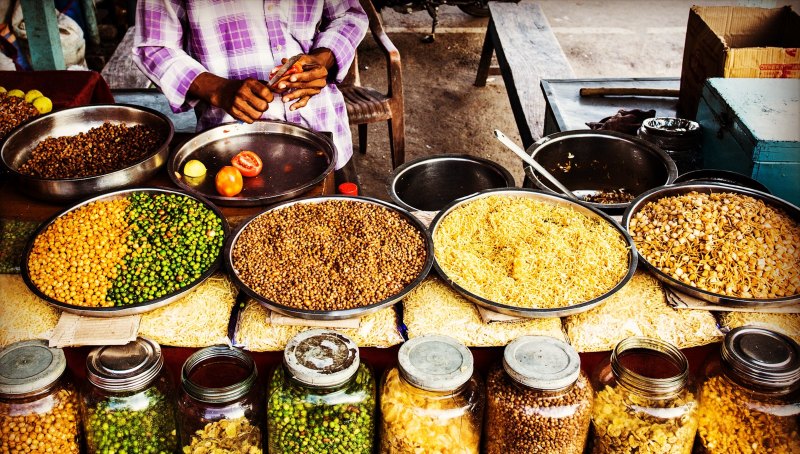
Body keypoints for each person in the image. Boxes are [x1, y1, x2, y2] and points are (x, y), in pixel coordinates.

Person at [132, 0, 368, 182]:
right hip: (231, 149)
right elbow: (155, 46)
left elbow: (348, 15)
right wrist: (219, 90)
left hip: (324, 129)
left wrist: (322, 60)